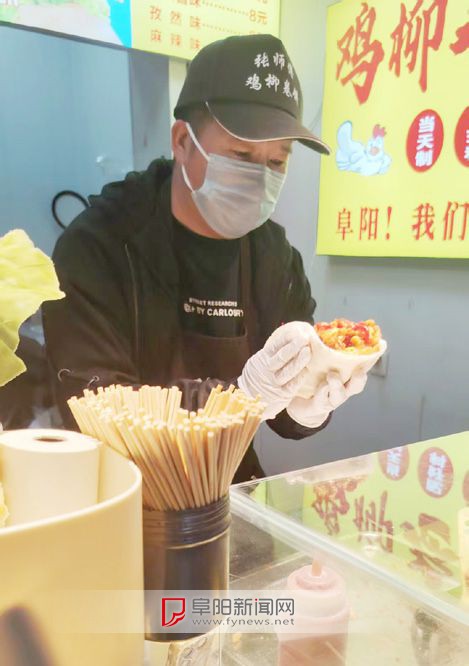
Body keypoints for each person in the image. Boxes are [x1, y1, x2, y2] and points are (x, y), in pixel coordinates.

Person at [42, 34, 367, 482]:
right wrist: (241, 396)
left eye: (277, 161)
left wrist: (306, 405)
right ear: (182, 141)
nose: (260, 177)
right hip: (126, 492)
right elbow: (96, 409)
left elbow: (282, 411)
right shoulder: (98, 247)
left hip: (229, 484)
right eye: (242, 154)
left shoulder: (274, 257)